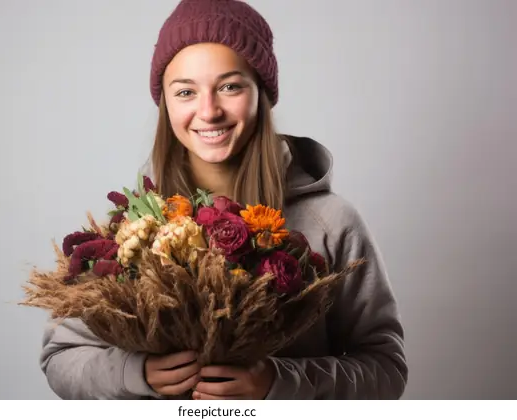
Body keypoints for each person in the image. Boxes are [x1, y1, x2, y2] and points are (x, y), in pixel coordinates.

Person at [39, 0, 408, 400]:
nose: (209, 111)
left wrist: (277, 383)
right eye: (185, 92)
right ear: (165, 103)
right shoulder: (131, 228)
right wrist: (135, 374)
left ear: (261, 94)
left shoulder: (331, 223)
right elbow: (61, 357)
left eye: (230, 86)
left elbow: (385, 368)